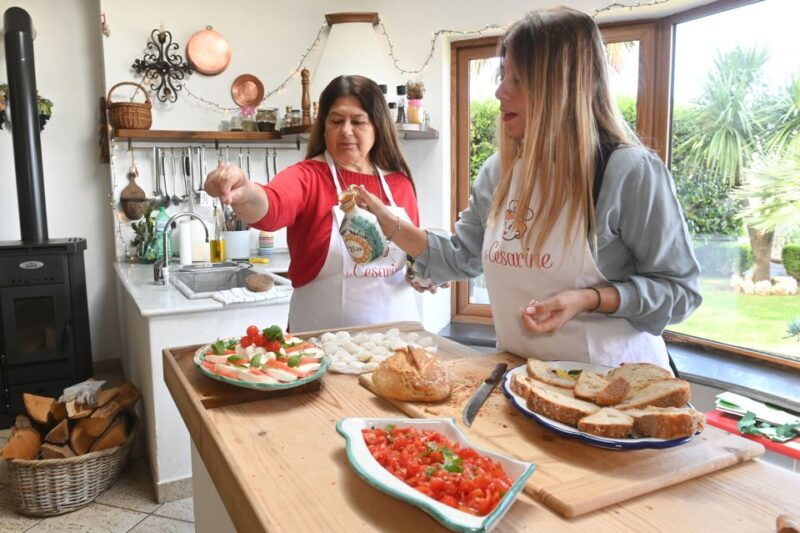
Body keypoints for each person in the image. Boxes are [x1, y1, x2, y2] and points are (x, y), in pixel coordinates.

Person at [355, 7, 702, 370]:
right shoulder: (498, 173)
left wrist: (591, 299)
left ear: (562, 86)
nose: (500, 91)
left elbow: (680, 293)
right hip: (525, 384)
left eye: (518, 79)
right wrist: (389, 223)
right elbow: (461, 256)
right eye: (504, 75)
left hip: (616, 387)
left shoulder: (628, 172)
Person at [204, 75, 421, 332]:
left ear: (378, 126)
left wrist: (421, 274)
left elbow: (413, 255)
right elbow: (272, 207)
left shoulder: (400, 185)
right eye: (336, 121)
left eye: (359, 121)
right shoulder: (307, 177)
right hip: (320, 347)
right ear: (324, 125)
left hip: (398, 342)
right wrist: (244, 190)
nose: (346, 131)